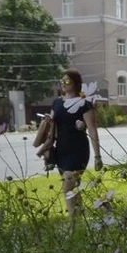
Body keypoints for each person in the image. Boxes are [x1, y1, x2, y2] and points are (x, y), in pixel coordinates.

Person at [53, 69, 101, 217]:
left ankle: (72, 225)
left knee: (68, 187)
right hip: (61, 150)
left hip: (78, 151)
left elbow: (92, 130)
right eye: (62, 81)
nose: (63, 84)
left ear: (76, 83)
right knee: (73, 189)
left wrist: (97, 156)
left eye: (67, 81)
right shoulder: (57, 103)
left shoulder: (84, 104)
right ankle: (83, 219)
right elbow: (53, 128)